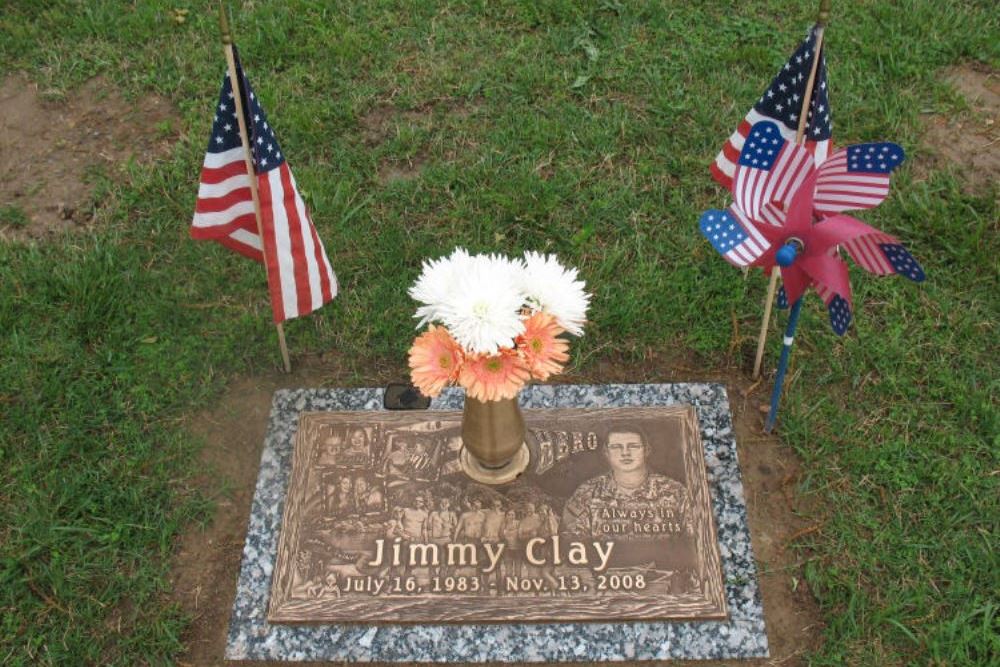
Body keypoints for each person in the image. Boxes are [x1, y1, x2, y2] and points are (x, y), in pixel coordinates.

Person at [427, 497, 458, 577]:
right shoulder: (433, 514)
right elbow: (428, 526)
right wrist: (429, 537)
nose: (444, 505)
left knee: (448, 554)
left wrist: (449, 527)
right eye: (442, 503)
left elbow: (456, 528)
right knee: (432, 554)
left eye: (446, 503)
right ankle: (432, 572)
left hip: (446, 539)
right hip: (434, 539)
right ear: (439, 504)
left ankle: (445, 571)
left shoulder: (452, 514)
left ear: (449, 504)